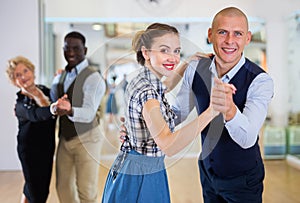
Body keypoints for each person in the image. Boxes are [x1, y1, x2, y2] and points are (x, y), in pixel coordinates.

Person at [101, 23, 231, 203]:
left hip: (132, 166)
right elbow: (168, 145)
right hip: (142, 175)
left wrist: (187, 63)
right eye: (164, 50)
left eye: (177, 51)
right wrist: (212, 111)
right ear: (146, 52)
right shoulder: (147, 93)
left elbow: (164, 86)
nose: (173, 58)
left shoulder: (142, 79)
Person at [170, 7, 274, 203]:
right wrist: (144, 121)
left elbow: (248, 138)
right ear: (210, 34)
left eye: (238, 34)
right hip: (208, 172)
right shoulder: (195, 69)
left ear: (247, 38)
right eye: (222, 32)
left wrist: (230, 110)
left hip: (243, 180)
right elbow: (177, 113)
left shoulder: (260, 81)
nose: (229, 41)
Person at [50, 31, 106, 203]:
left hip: (88, 138)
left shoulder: (94, 78)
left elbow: (89, 113)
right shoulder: (60, 75)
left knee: (86, 191)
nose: (71, 52)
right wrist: (55, 108)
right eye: (67, 48)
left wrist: (69, 110)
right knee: (63, 187)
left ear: (85, 50)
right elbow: (52, 101)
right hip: (65, 138)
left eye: (76, 48)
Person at [5, 56, 56, 203]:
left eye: (25, 71)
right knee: (37, 193)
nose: (23, 77)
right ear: (14, 81)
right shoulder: (21, 103)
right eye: (18, 75)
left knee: (35, 187)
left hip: (47, 148)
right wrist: (53, 109)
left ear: (32, 71)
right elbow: (36, 114)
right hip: (30, 152)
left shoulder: (44, 90)